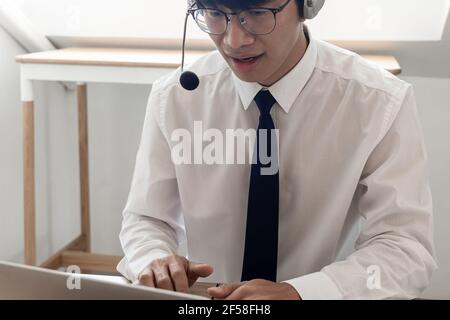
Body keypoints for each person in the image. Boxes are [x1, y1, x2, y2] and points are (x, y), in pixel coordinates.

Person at [117, 0, 437, 299]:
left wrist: (302, 292)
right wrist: (154, 259)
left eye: (256, 13)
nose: (234, 40)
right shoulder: (174, 97)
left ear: (306, 5)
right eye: (215, 13)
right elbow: (147, 218)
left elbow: (405, 246)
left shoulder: (378, 101)